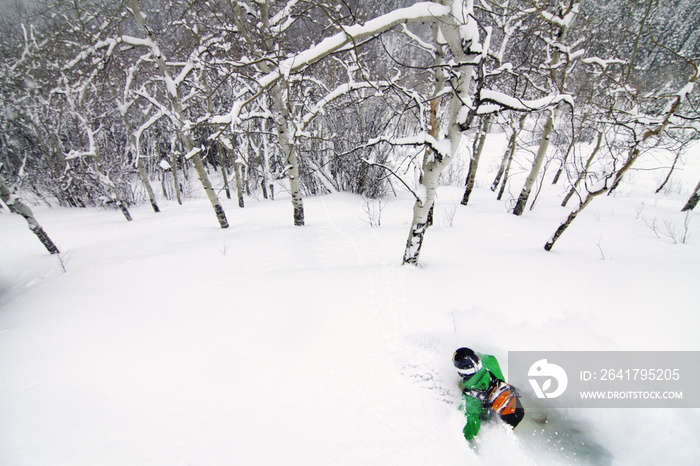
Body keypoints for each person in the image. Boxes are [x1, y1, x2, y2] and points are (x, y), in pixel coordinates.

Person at [453, 347, 525, 441]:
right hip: (518, 409)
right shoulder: (491, 361)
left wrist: (465, 439)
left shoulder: (470, 399)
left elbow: (472, 427)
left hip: (505, 422)